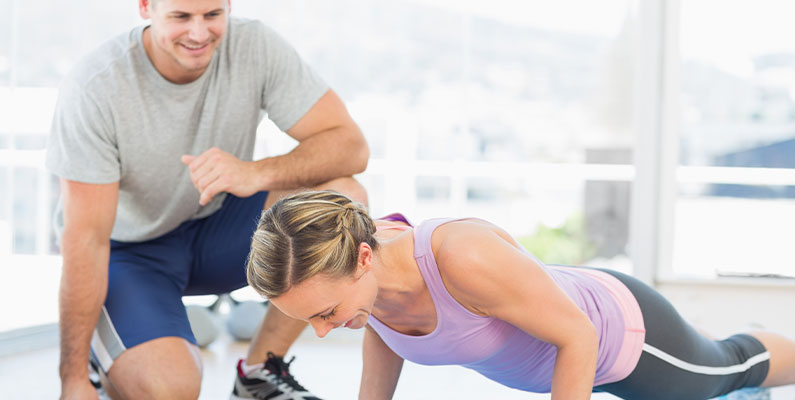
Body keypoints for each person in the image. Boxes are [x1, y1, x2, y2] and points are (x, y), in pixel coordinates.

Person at [45, 0, 369, 398]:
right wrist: (72, 379)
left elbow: (351, 146)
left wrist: (256, 172)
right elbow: (84, 241)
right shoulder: (96, 86)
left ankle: (258, 372)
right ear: (146, 7)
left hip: (217, 231)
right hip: (129, 254)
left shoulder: (255, 45)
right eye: (181, 17)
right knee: (171, 389)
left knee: (344, 195)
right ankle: (107, 355)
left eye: (213, 15)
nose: (199, 34)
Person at [246, 190, 795, 400]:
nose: (321, 331)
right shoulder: (366, 280)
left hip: (620, 338)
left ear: (363, 260)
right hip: (565, 351)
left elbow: (577, 333)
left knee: (727, 368)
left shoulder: (460, 255)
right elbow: (385, 340)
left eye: (325, 313)